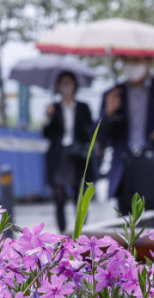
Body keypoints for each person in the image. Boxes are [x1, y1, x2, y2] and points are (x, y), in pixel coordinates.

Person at [98, 56, 154, 214]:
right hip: (124, 171)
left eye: (136, 60)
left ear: (149, 61)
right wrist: (108, 115)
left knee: (153, 224)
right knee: (126, 224)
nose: (132, 65)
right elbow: (98, 138)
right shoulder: (113, 94)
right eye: (128, 60)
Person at [43, 71, 94, 234]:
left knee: (80, 195)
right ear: (58, 86)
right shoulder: (53, 108)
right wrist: (48, 118)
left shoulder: (84, 107)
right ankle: (63, 233)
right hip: (59, 155)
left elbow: (90, 130)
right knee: (59, 196)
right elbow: (47, 134)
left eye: (69, 82)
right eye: (63, 83)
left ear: (75, 85)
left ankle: (81, 232)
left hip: (78, 155)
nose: (66, 86)